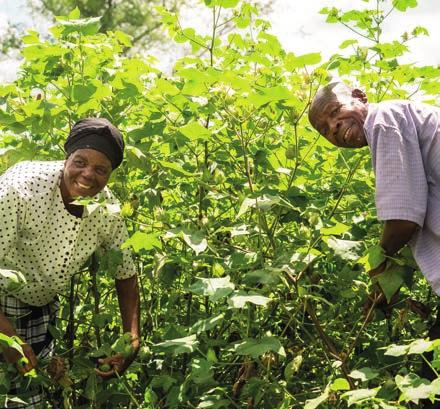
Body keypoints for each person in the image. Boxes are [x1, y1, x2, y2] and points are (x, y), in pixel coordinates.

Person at [308, 82, 440, 407]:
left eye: (335, 113)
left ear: (361, 97)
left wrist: (379, 265)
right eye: (326, 131)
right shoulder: (400, 120)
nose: (335, 128)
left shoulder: (385, 120)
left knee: (428, 389)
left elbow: (404, 219)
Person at [0, 118, 140, 408]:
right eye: (80, 162)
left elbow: (125, 272)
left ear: (110, 175)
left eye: (101, 170)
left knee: (32, 394)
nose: (88, 175)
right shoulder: (20, 188)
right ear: (66, 158)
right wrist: (9, 338)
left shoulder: (106, 209)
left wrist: (131, 338)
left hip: (41, 307)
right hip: (3, 298)